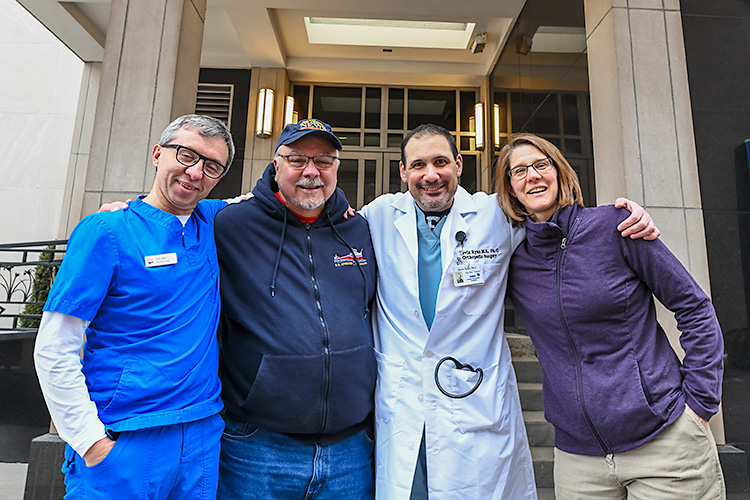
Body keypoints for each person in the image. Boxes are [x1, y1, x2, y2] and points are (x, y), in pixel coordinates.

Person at [358, 123, 659, 499]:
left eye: (440, 162)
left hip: (475, 403)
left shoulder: (495, 214)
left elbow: (555, 220)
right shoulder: (378, 216)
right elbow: (311, 214)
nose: (431, 175)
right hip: (403, 405)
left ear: (459, 164)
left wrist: (622, 216)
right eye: (418, 165)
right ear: (403, 172)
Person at [496, 133, 725, 499]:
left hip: (663, 443)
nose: (532, 176)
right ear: (509, 189)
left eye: (541, 165)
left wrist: (700, 403)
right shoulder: (514, 260)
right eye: (519, 171)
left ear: (560, 171)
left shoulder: (617, 226)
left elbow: (693, 305)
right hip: (578, 460)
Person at [34, 114, 235, 499]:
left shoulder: (214, 221)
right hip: (125, 437)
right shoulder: (106, 231)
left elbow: (279, 196)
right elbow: (54, 347)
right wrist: (92, 444)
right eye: (187, 155)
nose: (195, 173)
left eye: (211, 166)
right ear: (158, 154)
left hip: (201, 439)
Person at [213, 118, 378, 499]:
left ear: (337, 167)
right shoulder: (230, 223)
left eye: (323, 160)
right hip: (257, 447)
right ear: (276, 165)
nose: (311, 172)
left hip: (350, 451)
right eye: (297, 159)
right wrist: (126, 208)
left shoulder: (361, 230)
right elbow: (175, 214)